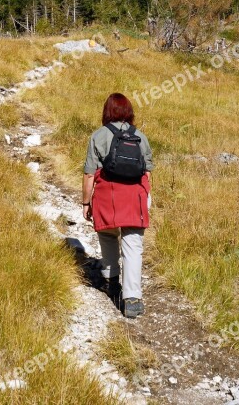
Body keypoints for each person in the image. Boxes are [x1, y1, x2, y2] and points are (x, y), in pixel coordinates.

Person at [82, 93, 154, 319]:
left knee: (108, 235)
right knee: (132, 244)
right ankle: (132, 299)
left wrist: (86, 202)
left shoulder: (98, 136)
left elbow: (89, 175)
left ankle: (111, 279)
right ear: (129, 112)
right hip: (135, 196)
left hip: (107, 197)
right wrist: (145, 200)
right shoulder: (141, 136)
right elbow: (148, 173)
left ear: (107, 112)